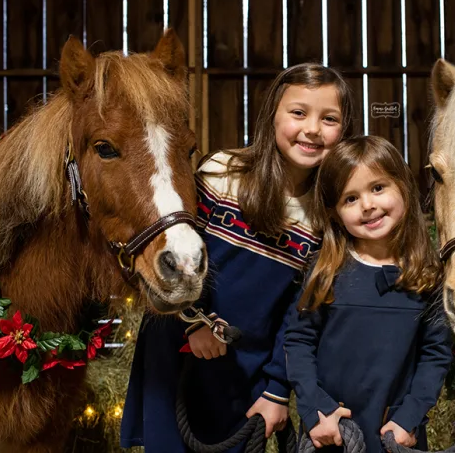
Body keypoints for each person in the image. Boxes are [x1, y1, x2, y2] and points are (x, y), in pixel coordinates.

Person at [120, 63, 358, 452]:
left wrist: (278, 390)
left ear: (343, 130)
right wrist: (192, 321)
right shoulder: (220, 174)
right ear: (272, 116)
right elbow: (176, 250)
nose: (312, 129)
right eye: (298, 113)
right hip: (179, 350)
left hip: (246, 368)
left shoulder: (327, 217)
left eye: (329, 119)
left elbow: (301, 311)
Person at [284, 135, 452, 453]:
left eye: (378, 188)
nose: (368, 205)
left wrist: (409, 418)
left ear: (403, 186)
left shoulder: (427, 274)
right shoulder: (325, 270)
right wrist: (316, 410)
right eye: (350, 198)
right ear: (334, 213)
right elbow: (298, 342)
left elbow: (436, 355)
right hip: (334, 435)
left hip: (396, 437)